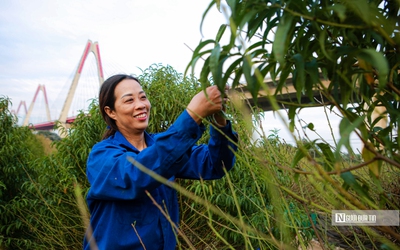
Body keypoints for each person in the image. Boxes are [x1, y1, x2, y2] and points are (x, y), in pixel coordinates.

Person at [83, 74, 238, 250]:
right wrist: (192, 116)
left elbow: (215, 164)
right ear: (111, 112)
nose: (140, 105)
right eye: (129, 100)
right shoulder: (101, 156)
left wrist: (219, 121)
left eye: (143, 97)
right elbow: (136, 174)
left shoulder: (163, 147)